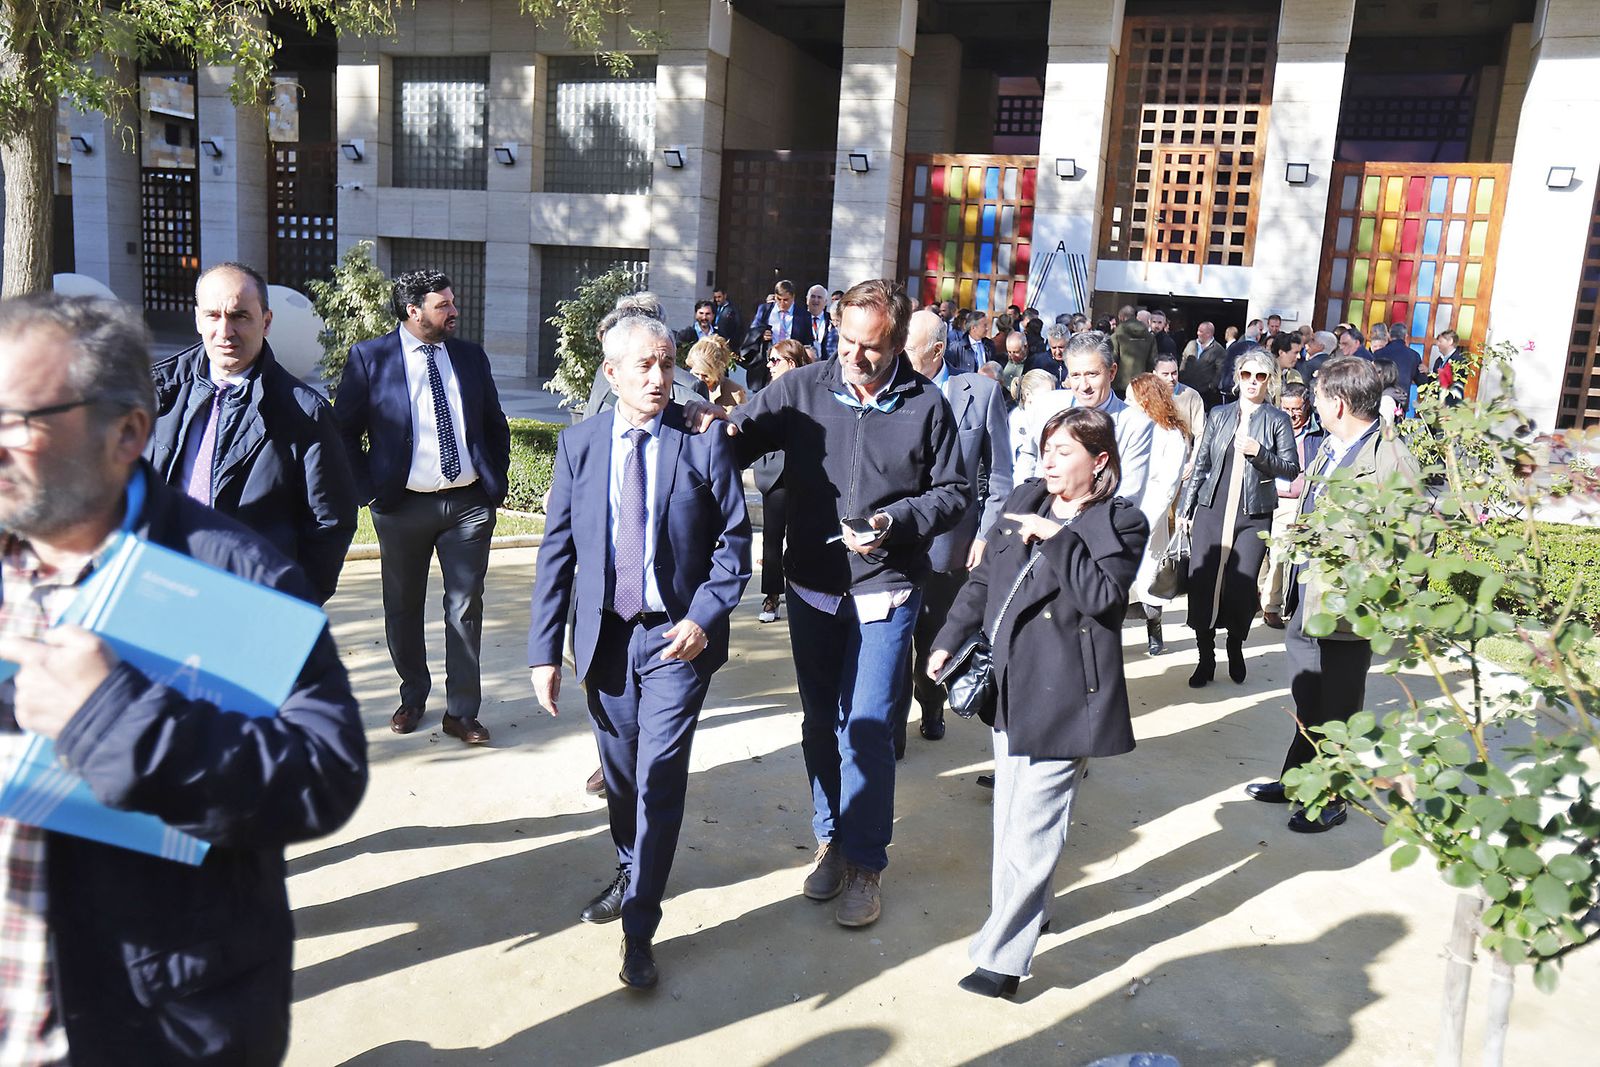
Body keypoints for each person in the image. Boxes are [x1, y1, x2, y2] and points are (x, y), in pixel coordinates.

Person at [0, 293, 366, 1062]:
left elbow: (324, 773)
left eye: (19, 420)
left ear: (128, 431)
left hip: (159, 1024)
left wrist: (114, 720)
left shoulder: (234, 575)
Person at [700, 279, 965, 929]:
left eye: (869, 347)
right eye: (845, 340)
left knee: (869, 725)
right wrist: (694, 428)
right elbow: (734, 439)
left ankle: (867, 863)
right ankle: (832, 839)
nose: (853, 356)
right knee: (822, 721)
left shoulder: (926, 404)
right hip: (814, 584)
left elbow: (955, 492)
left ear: (898, 342)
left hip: (885, 587)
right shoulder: (802, 386)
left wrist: (895, 521)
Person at [528, 314, 750, 989]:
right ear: (611, 374)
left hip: (675, 641)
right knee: (621, 777)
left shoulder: (702, 442)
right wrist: (543, 648)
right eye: (645, 366)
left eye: (667, 363)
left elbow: (734, 546)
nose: (660, 378)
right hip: (604, 639)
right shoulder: (580, 446)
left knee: (657, 779)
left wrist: (704, 616)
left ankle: (639, 927)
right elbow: (557, 552)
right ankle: (632, 866)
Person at [927, 406, 1148, 999]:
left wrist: (1060, 540)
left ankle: (1002, 959)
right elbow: (982, 584)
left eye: (1065, 451)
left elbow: (1103, 596)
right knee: (1010, 817)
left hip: (1066, 694)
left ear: (1100, 461)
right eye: (1046, 448)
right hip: (1008, 684)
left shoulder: (1121, 522)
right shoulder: (1025, 496)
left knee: (1032, 826)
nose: (1048, 461)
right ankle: (1031, 908)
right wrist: (948, 640)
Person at [334, 269, 510, 745]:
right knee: (403, 607)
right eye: (444, 305)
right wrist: (370, 492)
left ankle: (461, 712)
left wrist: (497, 478)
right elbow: (343, 431)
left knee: (464, 608)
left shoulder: (470, 356)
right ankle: (413, 696)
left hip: (469, 505)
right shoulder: (370, 358)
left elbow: (494, 422)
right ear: (413, 311)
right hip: (401, 506)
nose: (454, 312)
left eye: (453, 303)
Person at [1245, 357, 1421, 832]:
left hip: (1348, 609)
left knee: (1340, 708)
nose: (1312, 405)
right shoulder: (1330, 447)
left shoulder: (1390, 457)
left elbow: (1411, 540)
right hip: (1310, 596)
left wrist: (1365, 595)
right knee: (1309, 697)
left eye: (1319, 397)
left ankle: (1331, 798)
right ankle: (1299, 779)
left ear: (1338, 404)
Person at [146, 262, 357, 604]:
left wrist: (293, 604)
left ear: (266, 321)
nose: (225, 331)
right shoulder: (154, 393)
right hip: (159, 591)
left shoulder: (305, 414)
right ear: (198, 319)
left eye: (240, 316)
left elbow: (330, 523)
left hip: (249, 604)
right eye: (213, 316)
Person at [892, 308, 1012, 755]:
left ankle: (932, 701)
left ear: (937, 351)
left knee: (935, 635)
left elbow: (1000, 475)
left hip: (954, 544)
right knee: (891, 637)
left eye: (907, 349)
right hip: (895, 539)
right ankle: (892, 725)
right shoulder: (893, 390)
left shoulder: (979, 393)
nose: (897, 357)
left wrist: (985, 536)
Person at [1177, 347, 1300, 688]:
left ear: (1269, 381)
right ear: (1237, 378)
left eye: (1260, 376)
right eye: (1246, 375)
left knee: (1241, 586)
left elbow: (1291, 468)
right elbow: (1201, 464)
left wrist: (1259, 453)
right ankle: (1205, 656)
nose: (1252, 382)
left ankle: (1234, 644)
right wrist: (1186, 510)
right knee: (1203, 585)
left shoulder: (1276, 419)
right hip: (1211, 509)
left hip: (1254, 513)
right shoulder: (1219, 414)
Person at [1022, 332, 1154, 507]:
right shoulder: (1047, 405)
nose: (1084, 386)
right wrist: (1024, 505)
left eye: (1092, 374)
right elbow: (1028, 455)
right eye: (1076, 375)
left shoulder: (1136, 425)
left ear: (1112, 372)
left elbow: (1127, 496)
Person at [1125, 372, 1191, 655]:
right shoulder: (1128, 427)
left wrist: (1147, 521)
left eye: (1131, 398)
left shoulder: (1171, 435)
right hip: (1124, 509)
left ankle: (1155, 633)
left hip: (1150, 513)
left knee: (1148, 577)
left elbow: (1168, 484)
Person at [752, 340, 813, 622]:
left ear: (792, 362)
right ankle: (772, 596)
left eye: (775, 360)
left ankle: (805, 591)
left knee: (804, 535)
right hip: (775, 474)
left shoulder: (812, 391)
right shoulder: (766, 392)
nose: (769, 365)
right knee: (772, 538)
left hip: (807, 473)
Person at [1259, 382, 1322, 629]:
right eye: (1285, 408)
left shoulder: (1317, 433)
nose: (1290, 414)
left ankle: (1274, 605)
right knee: (1267, 554)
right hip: (1269, 496)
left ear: (1306, 406)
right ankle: (1266, 600)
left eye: (1295, 409)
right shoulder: (1270, 427)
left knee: (1283, 554)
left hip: (1298, 500)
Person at [740, 280, 798, 393]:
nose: (782, 303)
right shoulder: (765, 310)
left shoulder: (802, 315)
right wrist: (761, 334)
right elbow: (753, 331)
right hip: (766, 362)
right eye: (778, 299)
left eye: (786, 300)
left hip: (790, 362)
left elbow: (806, 341)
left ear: (793, 297)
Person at [1010, 369, 1061, 481]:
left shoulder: (1045, 416)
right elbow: (1023, 461)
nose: (1053, 397)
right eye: (1048, 393)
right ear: (1028, 395)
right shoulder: (1020, 418)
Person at [1154, 351, 1204, 446]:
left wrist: (1194, 459)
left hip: (1185, 457)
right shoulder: (1147, 396)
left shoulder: (1192, 396)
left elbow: (1201, 433)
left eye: (1174, 373)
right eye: (1165, 374)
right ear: (1155, 374)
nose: (1171, 378)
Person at [685, 335, 746, 411]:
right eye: (696, 374)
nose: (700, 379)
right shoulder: (684, 386)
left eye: (705, 375)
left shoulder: (735, 393)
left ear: (718, 371)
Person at [1109, 304, 1156, 395]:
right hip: (1141, 384)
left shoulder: (1117, 336)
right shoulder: (1149, 336)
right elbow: (1152, 361)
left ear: (1122, 317)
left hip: (1119, 385)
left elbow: (1112, 359)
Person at [1180, 321, 1227, 409]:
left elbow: (1220, 371)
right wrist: (1181, 376)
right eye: (1198, 330)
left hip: (1204, 394)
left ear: (1209, 333)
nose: (1198, 333)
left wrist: (1211, 386)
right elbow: (1183, 360)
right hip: (1186, 388)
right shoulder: (1191, 344)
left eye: (1201, 331)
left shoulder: (1218, 350)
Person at [793, 284, 835, 359]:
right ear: (807, 300)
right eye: (813, 296)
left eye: (819, 297)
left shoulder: (832, 319)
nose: (816, 300)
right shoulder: (797, 319)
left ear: (825, 302)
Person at [947, 311, 991, 375]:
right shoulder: (956, 349)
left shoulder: (989, 345)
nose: (987, 328)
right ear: (973, 328)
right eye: (984, 325)